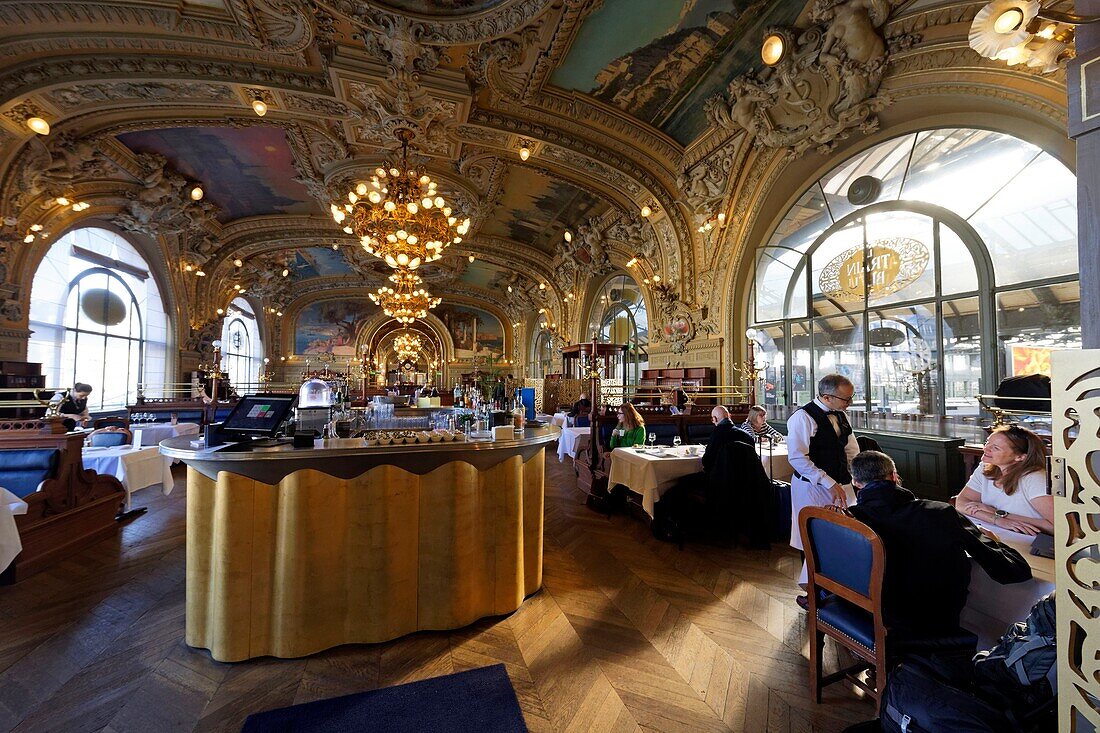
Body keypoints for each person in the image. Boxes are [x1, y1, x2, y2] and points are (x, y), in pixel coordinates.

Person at [847, 450, 1032, 636]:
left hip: (868, 614)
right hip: (934, 619)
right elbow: (1013, 571)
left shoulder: (849, 520)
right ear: (894, 476)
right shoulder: (940, 513)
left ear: (856, 483)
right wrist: (994, 542)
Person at [787, 374, 860, 594]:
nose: (850, 403)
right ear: (827, 397)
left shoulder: (841, 414)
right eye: (846, 399)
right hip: (812, 488)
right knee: (812, 536)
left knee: (845, 534)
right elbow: (798, 458)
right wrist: (827, 481)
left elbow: (850, 448)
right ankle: (812, 591)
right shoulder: (802, 417)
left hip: (842, 484)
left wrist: (857, 476)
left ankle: (839, 587)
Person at [955, 425, 1054, 536]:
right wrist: (997, 520)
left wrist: (999, 514)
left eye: (996, 448)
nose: (986, 448)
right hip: (992, 534)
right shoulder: (986, 466)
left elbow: (1060, 527)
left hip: (1025, 543)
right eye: (987, 442)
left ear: (1020, 457)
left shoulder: (1034, 478)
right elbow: (961, 503)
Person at [703, 404, 756, 472]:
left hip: (719, 479)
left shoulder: (717, 435)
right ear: (729, 416)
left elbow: (707, 461)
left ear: (714, 419)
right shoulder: (747, 435)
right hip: (745, 479)